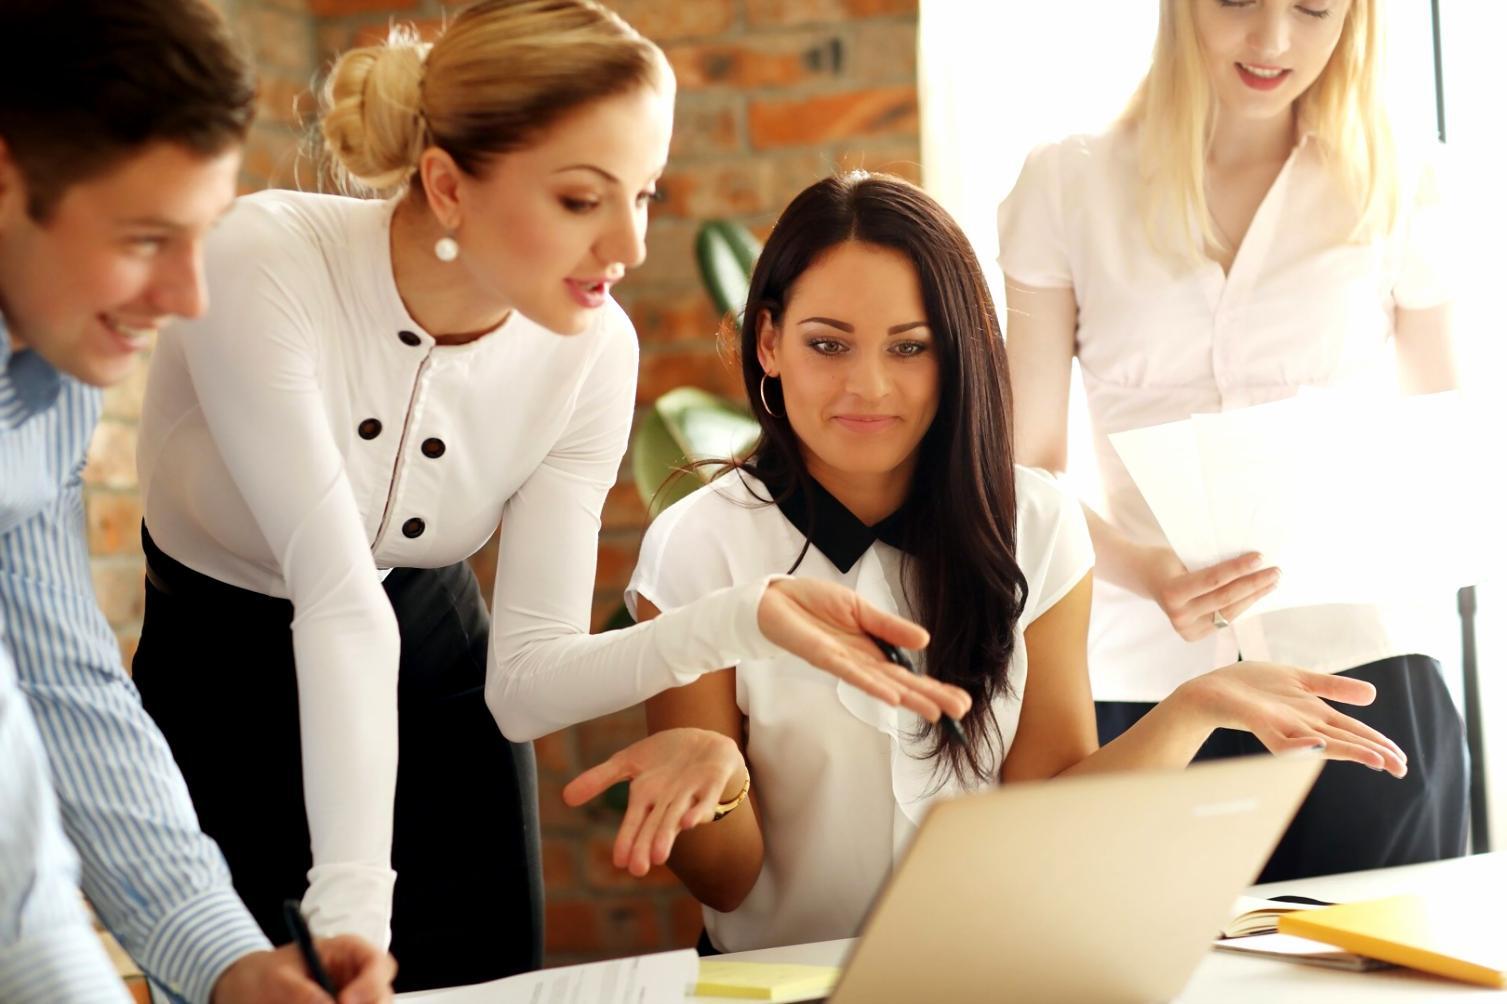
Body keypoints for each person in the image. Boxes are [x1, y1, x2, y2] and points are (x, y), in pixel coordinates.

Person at [130, 0, 965, 991]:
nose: (629, 244)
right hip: (224, 676)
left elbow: (525, 685)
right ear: (446, 185)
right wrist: (353, 902)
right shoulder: (261, 259)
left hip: (439, 672)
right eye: (581, 199)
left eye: (643, 195)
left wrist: (746, 616)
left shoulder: (594, 348)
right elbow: (337, 596)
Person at [562, 172, 1406, 954]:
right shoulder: (698, 545)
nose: (869, 387)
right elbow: (727, 881)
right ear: (769, 344)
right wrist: (718, 787)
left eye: (908, 347)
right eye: (828, 345)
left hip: (986, 969)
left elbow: (1048, 813)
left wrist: (1192, 707)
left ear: (957, 354)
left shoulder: (1033, 520)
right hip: (784, 979)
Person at [996, 0, 1465, 881]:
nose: (1272, 41)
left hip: (1365, 674)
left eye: (1313, 7)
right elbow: (1025, 472)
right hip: (1143, 686)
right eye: (1237, 1)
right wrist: (1148, 572)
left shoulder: (1402, 177)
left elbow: (1439, 440)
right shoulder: (1064, 186)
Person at [0, 1, 394, 1001]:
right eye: (144, 238)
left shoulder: (48, 367)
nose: (189, 296)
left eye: (200, 236)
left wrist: (227, 959)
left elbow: (58, 682)